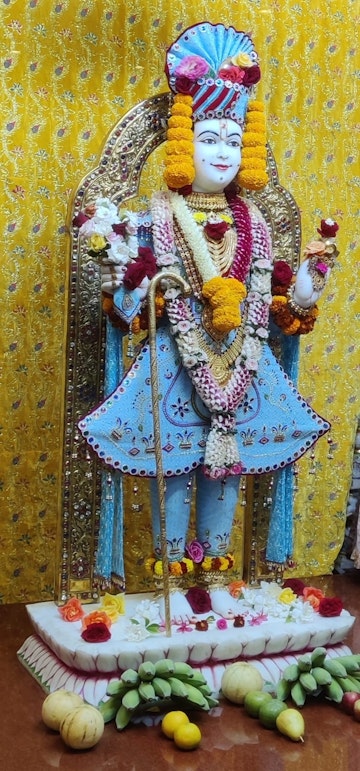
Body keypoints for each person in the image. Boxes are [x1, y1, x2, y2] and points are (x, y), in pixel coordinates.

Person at [76, 22, 338, 622]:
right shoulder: (154, 218)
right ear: (181, 146)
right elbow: (129, 308)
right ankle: (170, 587)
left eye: (232, 137)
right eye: (208, 136)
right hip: (173, 366)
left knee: (228, 473)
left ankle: (214, 587)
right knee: (172, 470)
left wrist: (307, 285)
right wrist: (118, 270)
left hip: (241, 370)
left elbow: (281, 307)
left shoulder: (257, 226)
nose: (221, 149)